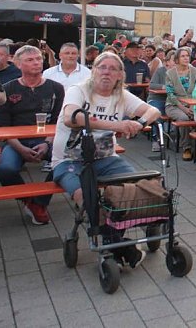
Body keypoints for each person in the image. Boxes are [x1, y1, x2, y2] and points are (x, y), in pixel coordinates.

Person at [51, 51, 162, 266]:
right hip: (69, 160)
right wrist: (116, 125)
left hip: (105, 158)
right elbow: (71, 117)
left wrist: (139, 123)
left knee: (139, 187)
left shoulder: (121, 95)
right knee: (86, 196)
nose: (106, 72)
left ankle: (120, 240)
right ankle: (121, 245)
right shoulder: (79, 90)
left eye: (112, 69)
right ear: (93, 70)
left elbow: (153, 110)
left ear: (120, 74)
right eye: (102, 67)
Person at [0, 45, 63, 225]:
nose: (36, 63)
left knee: (66, 164)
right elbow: (3, 126)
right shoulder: (7, 89)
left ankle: (40, 203)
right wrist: (20, 148)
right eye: (30, 60)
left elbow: (58, 121)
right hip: (16, 142)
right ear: (17, 64)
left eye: (39, 59)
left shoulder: (56, 88)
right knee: (6, 171)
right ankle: (29, 200)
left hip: (47, 139)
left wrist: (47, 143)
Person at [165, 47, 196, 161]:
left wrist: (192, 105)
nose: (186, 58)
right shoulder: (170, 73)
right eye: (183, 56)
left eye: (187, 56)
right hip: (174, 104)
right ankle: (187, 147)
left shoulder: (194, 71)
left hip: (192, 103)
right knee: (184, 118)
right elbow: (170, 94)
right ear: (177, 59)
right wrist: (183, 108)